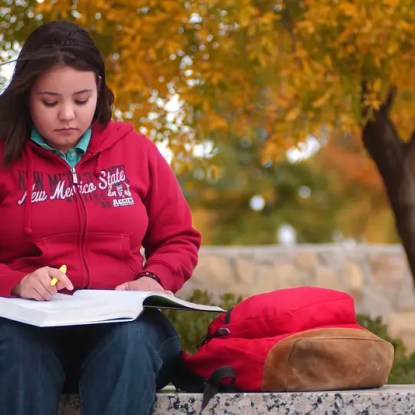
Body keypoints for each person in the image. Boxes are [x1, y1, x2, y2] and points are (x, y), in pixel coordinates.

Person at [0, 20, 201, 415]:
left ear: (100, 90)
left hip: (124, 327)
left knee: (129, 345)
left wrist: (153, 279)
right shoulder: (4, 156)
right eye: (50, 101)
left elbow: (179, 238)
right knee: (18, 352)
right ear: (26, 96)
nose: (68, 115)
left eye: (82, 98)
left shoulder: (135, 149)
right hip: (25, 329)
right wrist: (17, 282)